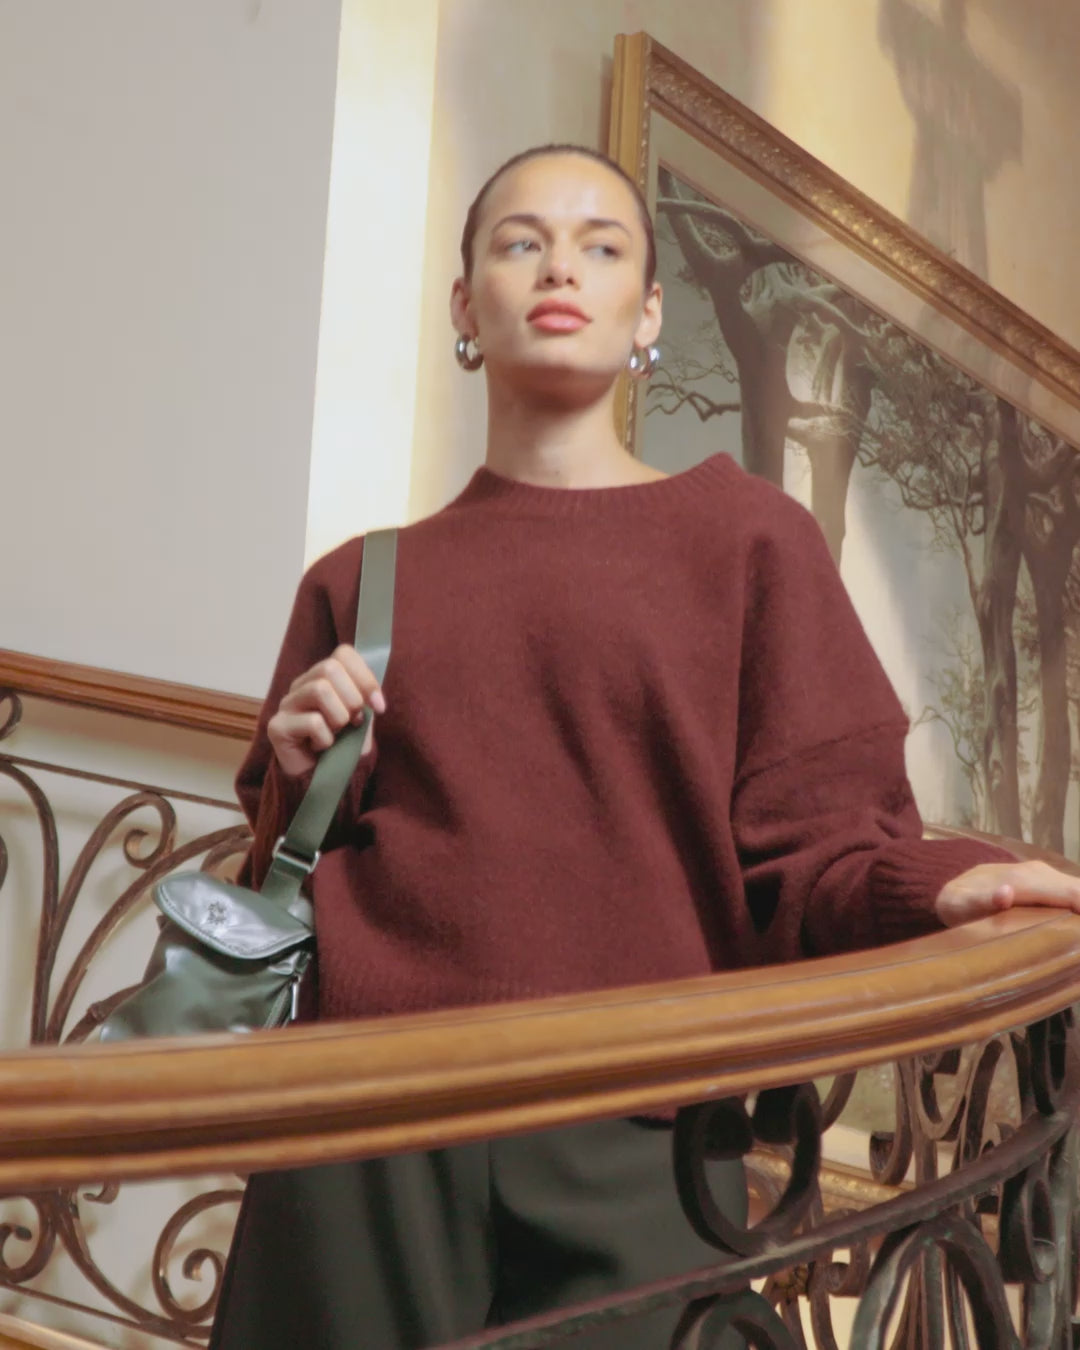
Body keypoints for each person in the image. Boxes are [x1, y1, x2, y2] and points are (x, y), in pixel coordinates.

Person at [210, 144, 1080, 1350]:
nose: (559, 267)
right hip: (364, 1117)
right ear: (464, 305)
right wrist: (301, 775)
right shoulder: (362, 578)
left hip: (645, 1117)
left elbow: (818, 853)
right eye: (520, 242)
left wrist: (940, 880)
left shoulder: (748, 541)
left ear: (650, 312)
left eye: (602, 245)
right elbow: (280, 884)